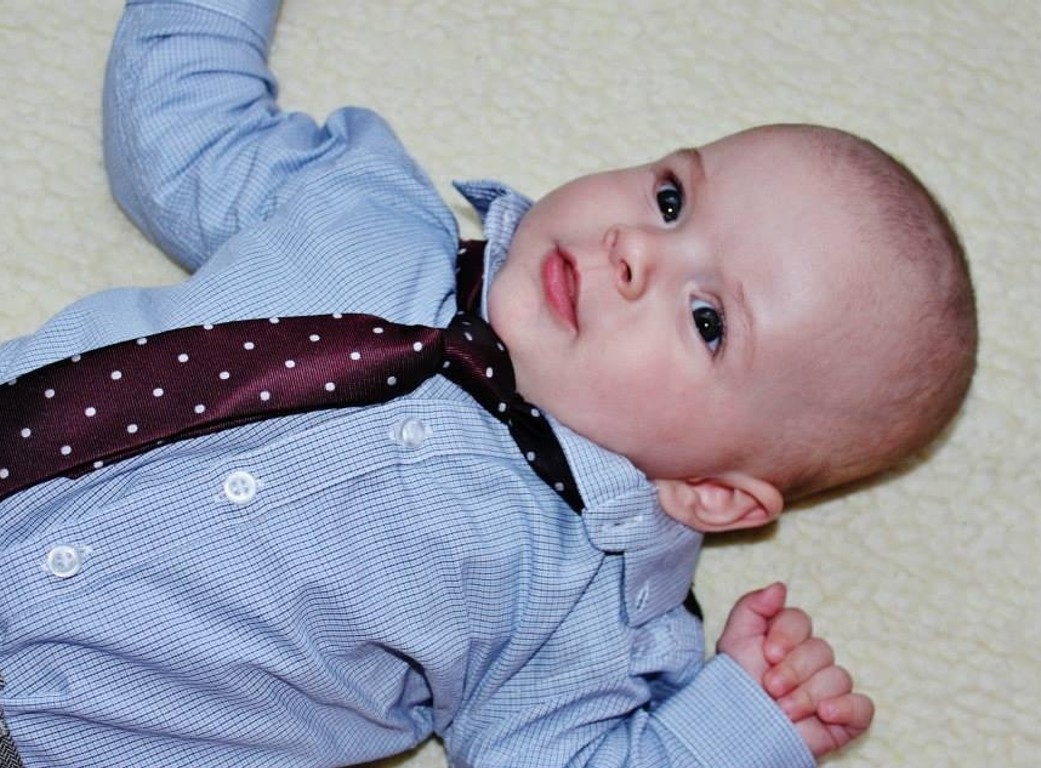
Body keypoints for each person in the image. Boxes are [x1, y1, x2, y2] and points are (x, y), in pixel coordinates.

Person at [0, 1, 976, 766]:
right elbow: (184, 135)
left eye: (708, 320)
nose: (636, 248)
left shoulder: (582, 608)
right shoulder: (364, 209)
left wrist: (734, 729)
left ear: (714, 493)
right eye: (672, 198)